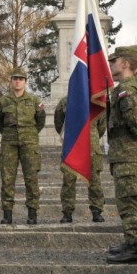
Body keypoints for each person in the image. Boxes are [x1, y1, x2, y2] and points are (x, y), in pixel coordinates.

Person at [105, 46, 137, 264]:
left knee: (128, 200)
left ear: (126, 64)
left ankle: (133, 246)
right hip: (134, 154)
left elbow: (135, 120)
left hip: (127, 154)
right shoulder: (132, 86)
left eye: (115, 61)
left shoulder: (126, 89)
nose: (111, 64)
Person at [0, 68, 46, 225]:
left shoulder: (35, 101)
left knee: (31, 178)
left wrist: (29, 133)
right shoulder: (3, 101)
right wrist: (9, 133)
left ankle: (32, 213)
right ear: (11, 81)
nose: (17, 81)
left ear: (25, 82)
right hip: (9, 141)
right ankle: (7, 213)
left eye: (21, 79)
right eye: (15, 78)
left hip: (29, 142)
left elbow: (40, 121)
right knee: (7, 178)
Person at [54, 95, 106, 223]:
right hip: (73, 144)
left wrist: (90, 135)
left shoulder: (97, 101)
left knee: (95, 180)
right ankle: (67, 212)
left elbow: (102, 126)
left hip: (91, 146)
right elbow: (59, 123)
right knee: (69, 180)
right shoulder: (65, 101)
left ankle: (97, 211)